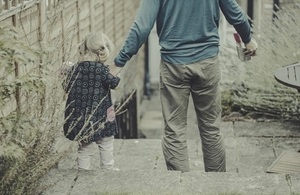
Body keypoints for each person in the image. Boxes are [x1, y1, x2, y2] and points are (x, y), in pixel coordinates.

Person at [111, 0, 258, 172]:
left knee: (175, 131)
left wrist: (119, 62)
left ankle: (180, 186)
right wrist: (247, 39)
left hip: (174, 66)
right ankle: (216, 186)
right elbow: (237, 15)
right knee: (211, 129)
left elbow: (142, 27)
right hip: (207, 64)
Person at [63, 32, 120, 170]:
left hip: (81, 118)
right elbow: (115, 84)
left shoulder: (76, 68)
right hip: (102, 116)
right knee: (106, 143)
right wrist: (116, 74)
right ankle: (108, 169)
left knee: (84, 147)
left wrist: (66, 73)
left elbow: (67, 87)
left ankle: (83, 172)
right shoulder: (102, 70)